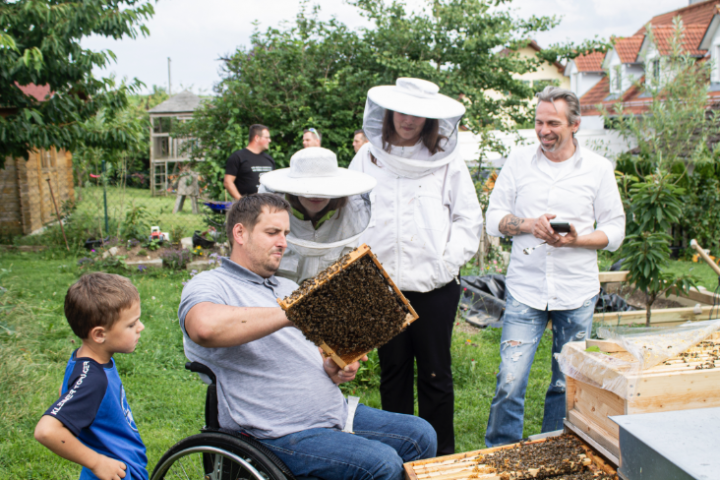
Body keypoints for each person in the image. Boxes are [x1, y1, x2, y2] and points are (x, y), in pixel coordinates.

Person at [178, 193, 437, 480]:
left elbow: (318, 355)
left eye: (286, 233)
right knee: (381, 463)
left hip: (333, 413)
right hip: (275, 432)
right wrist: (289, 313)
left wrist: (334, 365)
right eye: (272, 232)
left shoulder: (286, 286)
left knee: (421, 435)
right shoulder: (211, 284)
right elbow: (204, 327)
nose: (283, 242)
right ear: (240, 232)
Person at [484, 86, 626, 447]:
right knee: (509, 380)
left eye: (553, 123)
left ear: (575, 124)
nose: (543, 130)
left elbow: (615, 230)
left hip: (575, 290)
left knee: (565, 384)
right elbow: (493, 219)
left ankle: (554, 452)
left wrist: (575, 239)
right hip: (526, 289)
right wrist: (530, 225)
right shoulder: (518, 161)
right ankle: (501, 452)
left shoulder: (598, 169)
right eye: (538, 122)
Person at [349, 77, 483, 455]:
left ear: (431, 120)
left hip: (435, 287)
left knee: (436, 376)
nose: (408, 120)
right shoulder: (367, 156)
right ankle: (399, 459)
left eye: (418, 114)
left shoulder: (447, 161)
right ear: (388, 112)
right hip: (381, 284)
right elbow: (349, 214)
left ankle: (440, 463)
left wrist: (446, 262)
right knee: (393, 376)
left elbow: (468, 219)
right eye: (402, 111)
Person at [35, 273, 148, 480]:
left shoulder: (82, 360)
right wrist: (97, 462)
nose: (141, 327)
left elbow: (65, 393)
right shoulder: (93, 379)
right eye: (131, 325)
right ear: (99, 335)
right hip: (114, 473)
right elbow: (46, 431)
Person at [260, 146, 377, 283]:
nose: (315, 195)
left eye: (322, 188)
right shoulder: (275, 215)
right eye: (308, 188)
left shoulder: (348, 217)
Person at [224, 124, 274, 200]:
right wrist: (241, 201)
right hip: (248, 209)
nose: (269, 140)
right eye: (266, 137)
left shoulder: (269, 159)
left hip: (268, 206)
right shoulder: (238, 157)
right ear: (257, 138)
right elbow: (228, 182)